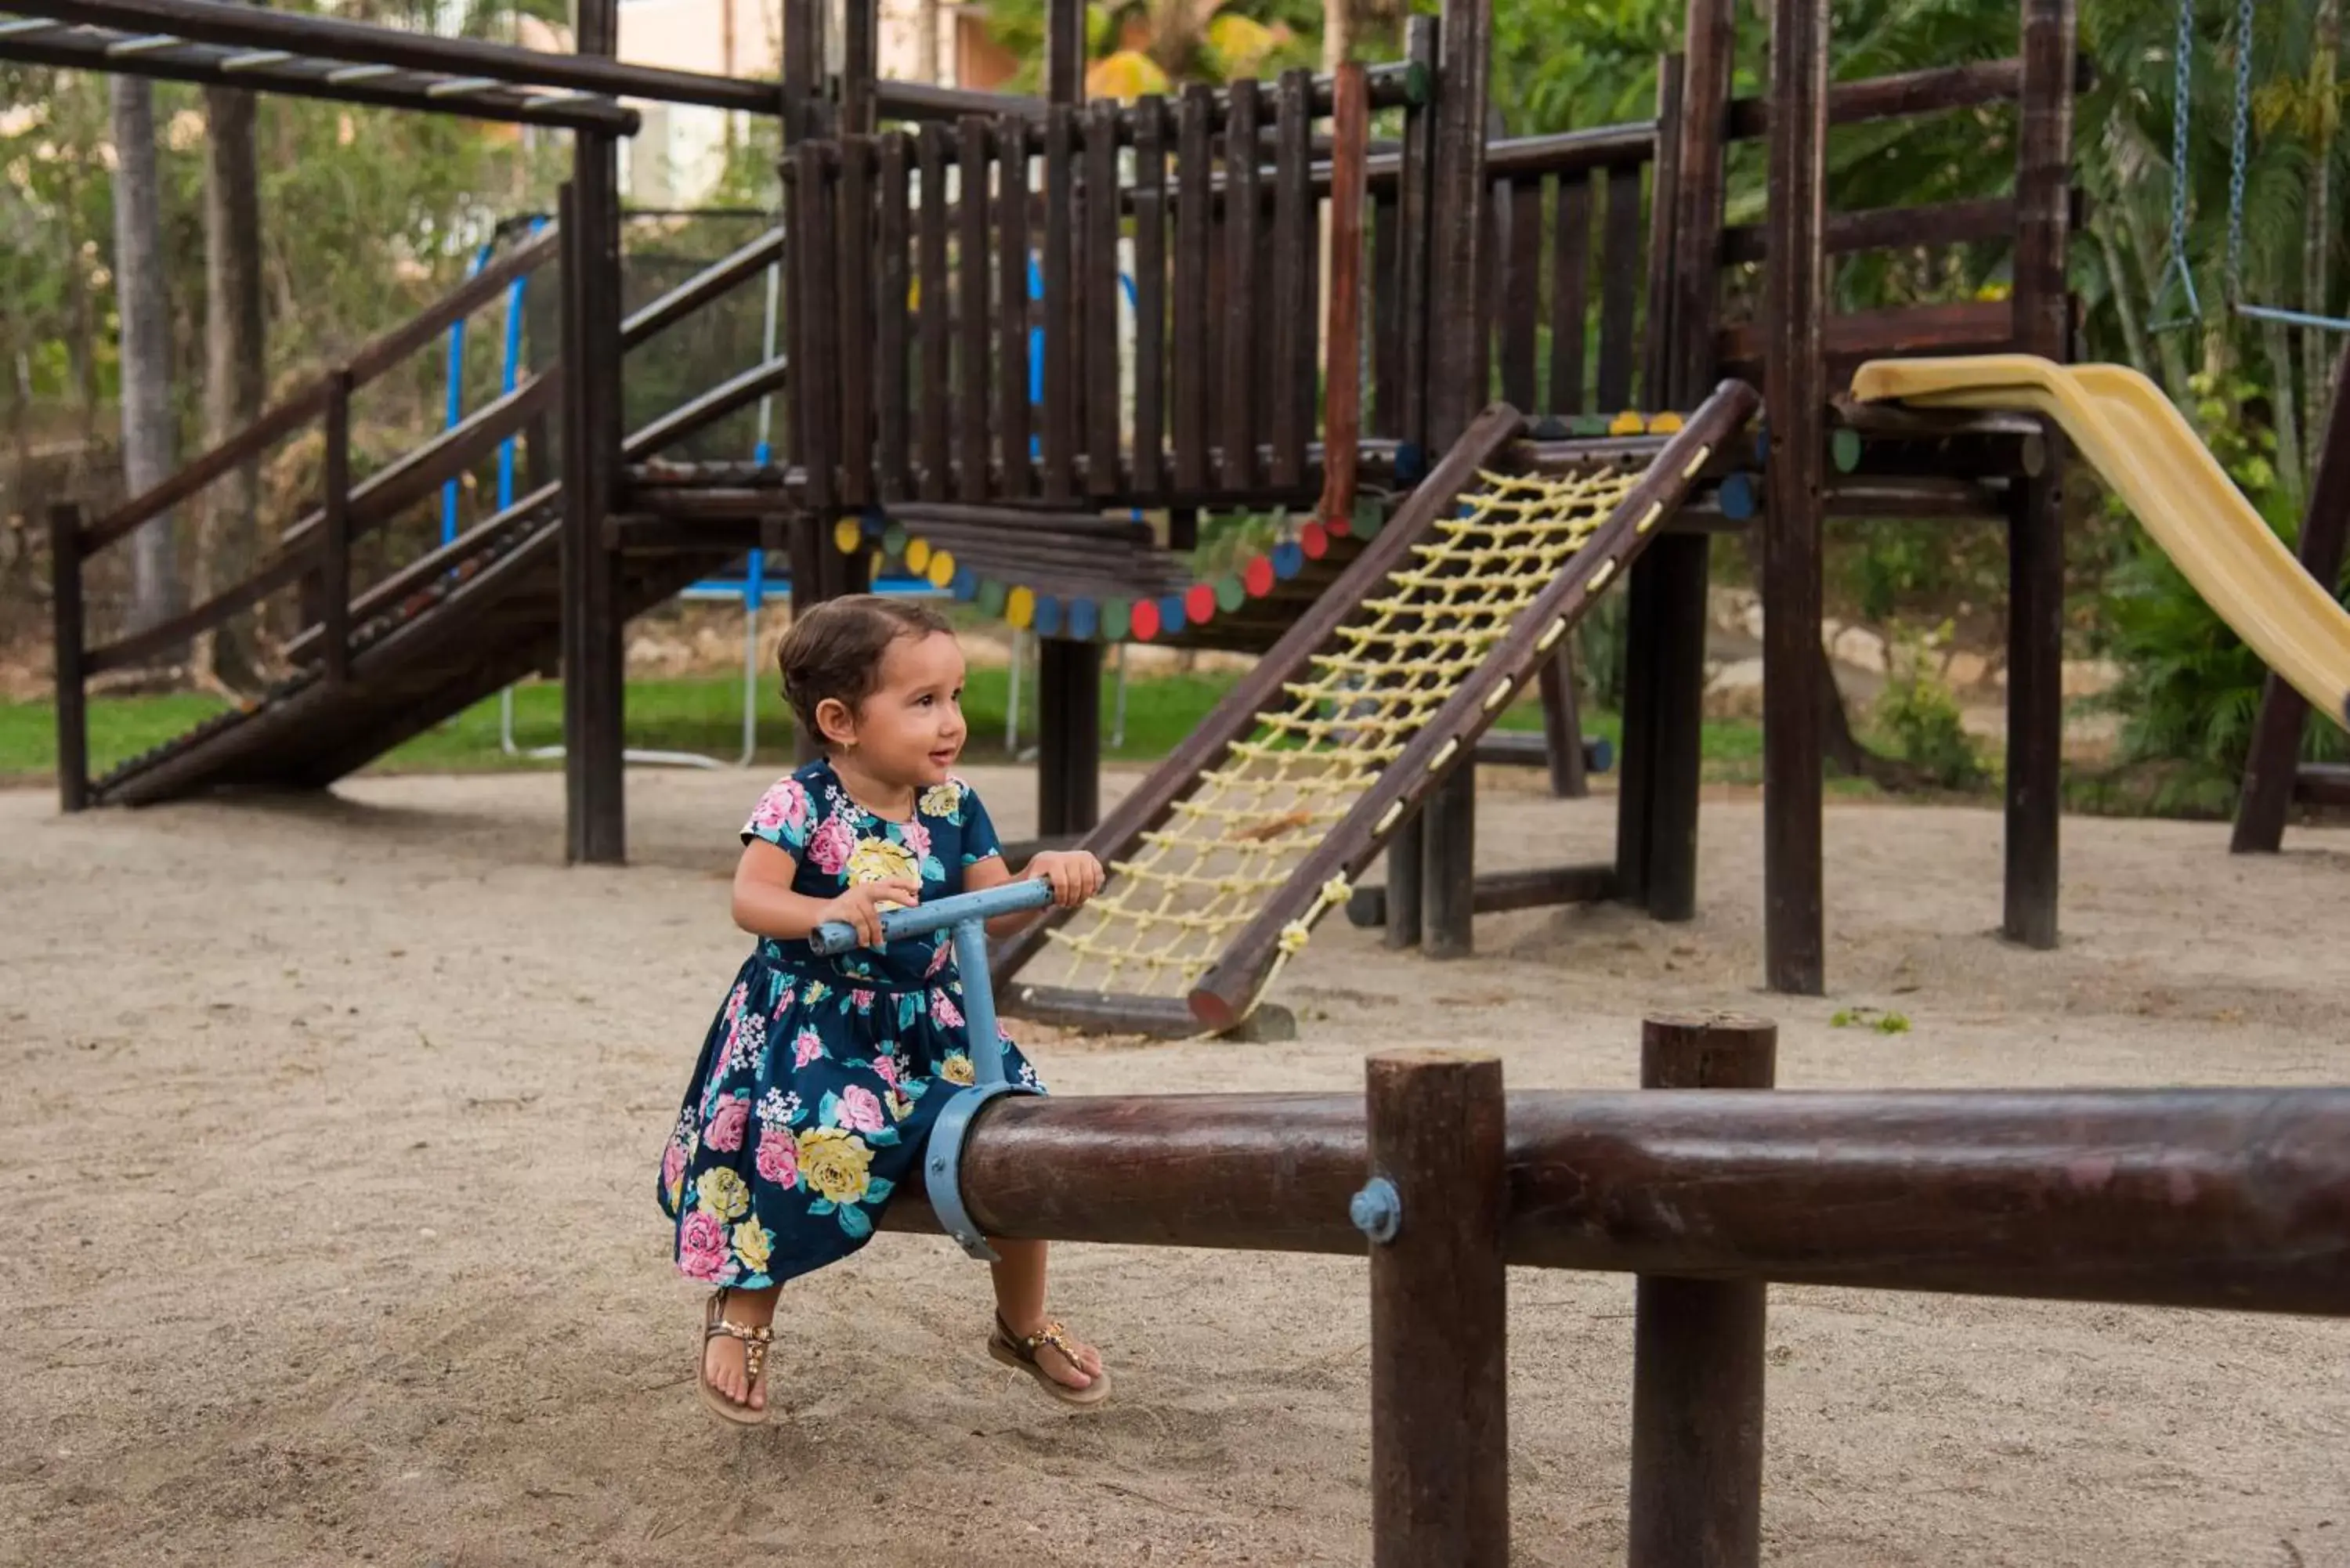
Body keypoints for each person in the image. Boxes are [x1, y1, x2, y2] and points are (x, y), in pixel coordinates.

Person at [656, 594, 1108, 1426]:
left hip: (933, 1022)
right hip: (814, 1025)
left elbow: (990, 904)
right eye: (924, 701)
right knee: (801, 1139)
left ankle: (1022, 1319)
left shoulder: (954, 805)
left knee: (1019, 1134)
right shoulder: (802, 803)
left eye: (958, 697)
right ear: (840, 720)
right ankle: (743, 1307)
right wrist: (827, 910)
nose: (951, 723)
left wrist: (1044, 876)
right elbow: (752, 899)